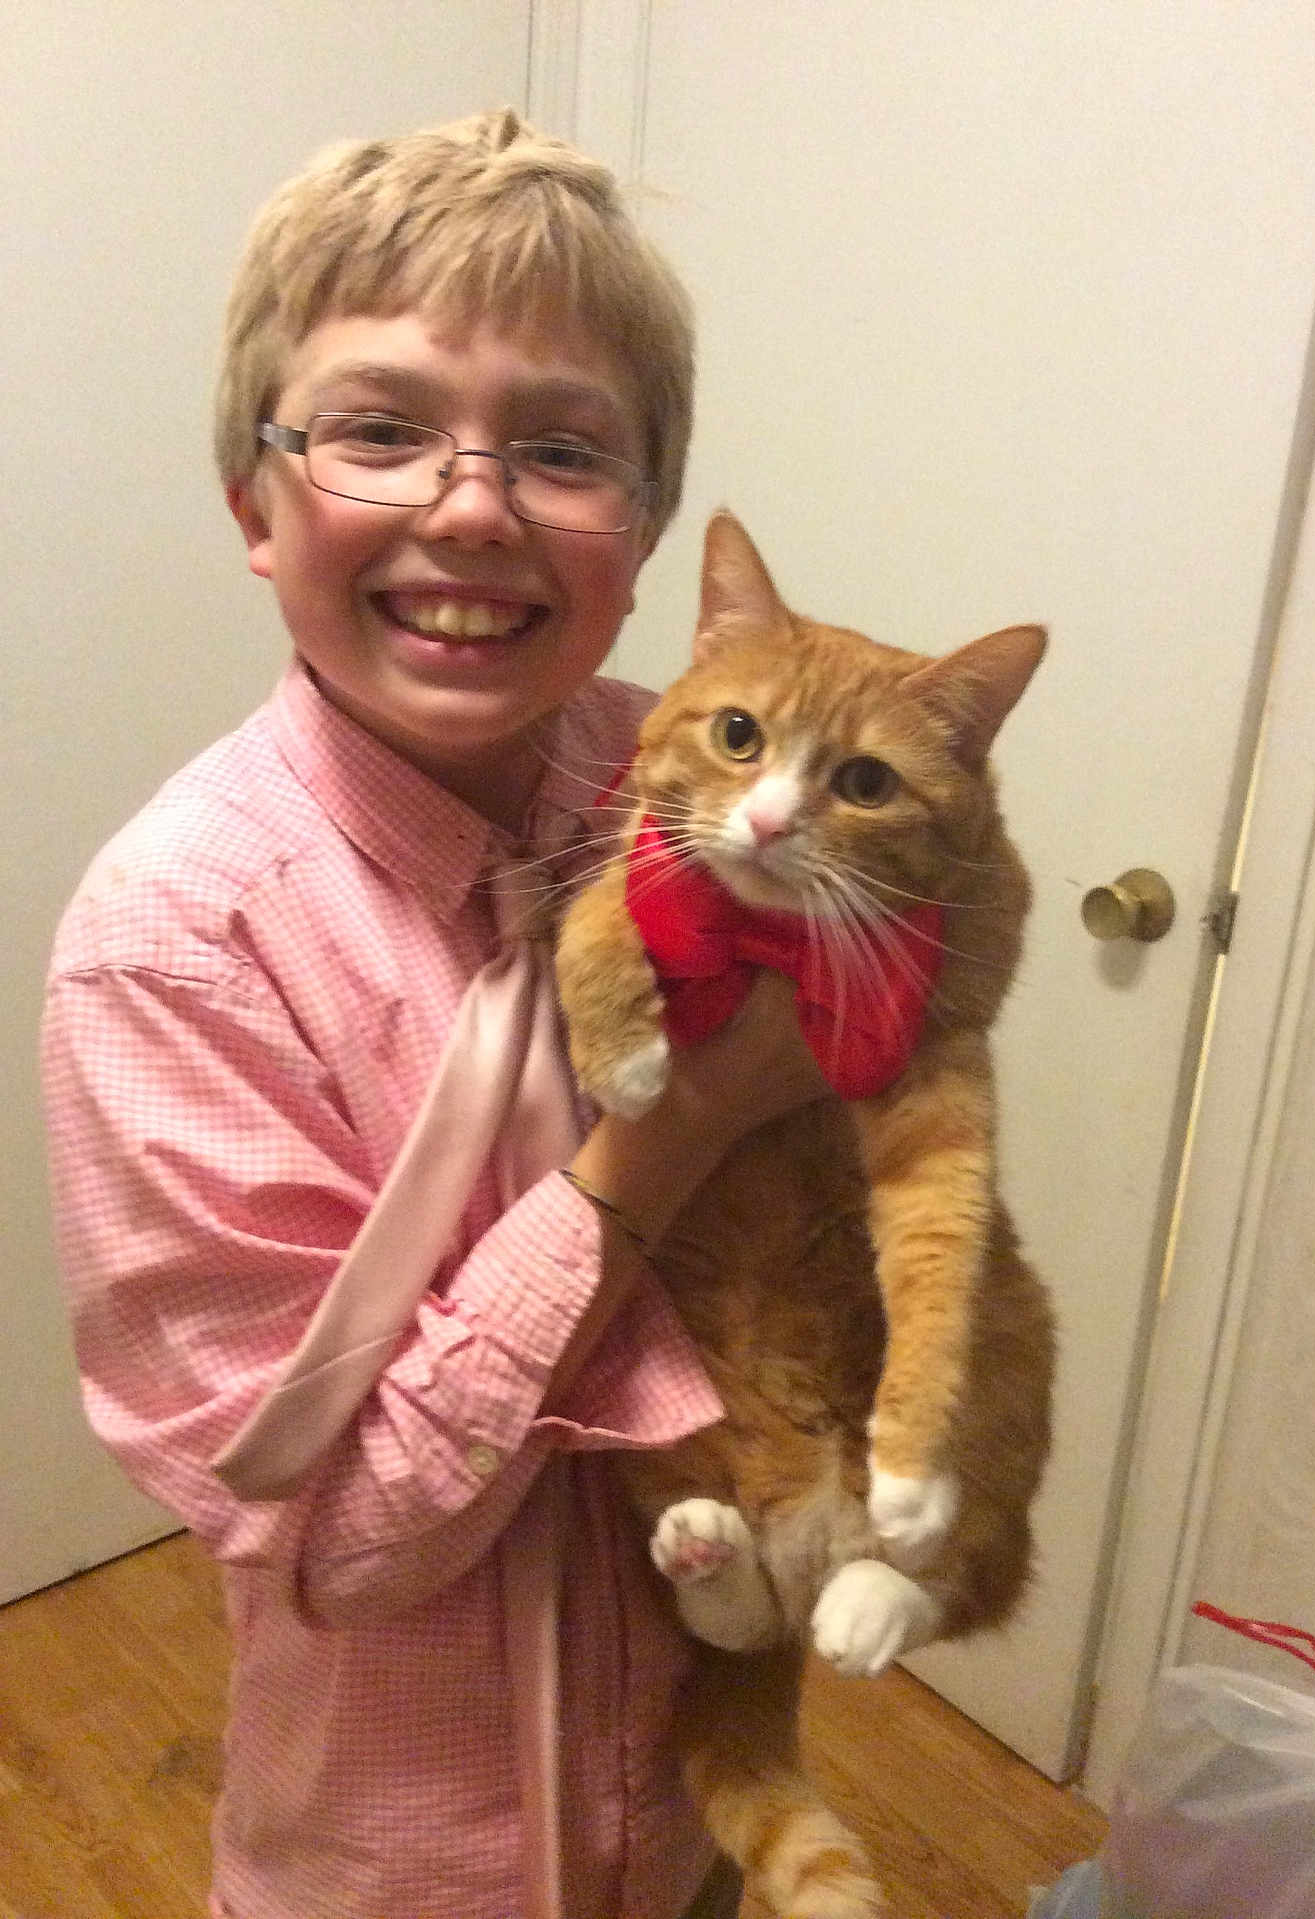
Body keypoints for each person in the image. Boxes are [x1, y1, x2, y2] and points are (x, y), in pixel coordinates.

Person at [40, 108, 825, 1919]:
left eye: (562, 450)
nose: (472, 506)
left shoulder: (683, 773)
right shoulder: (174, 948)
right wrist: (675, 1133)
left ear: (640, 532)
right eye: (379, 431)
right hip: (412, 1858)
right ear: (255, 505)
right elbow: (339, 1542)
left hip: (707, 1784)